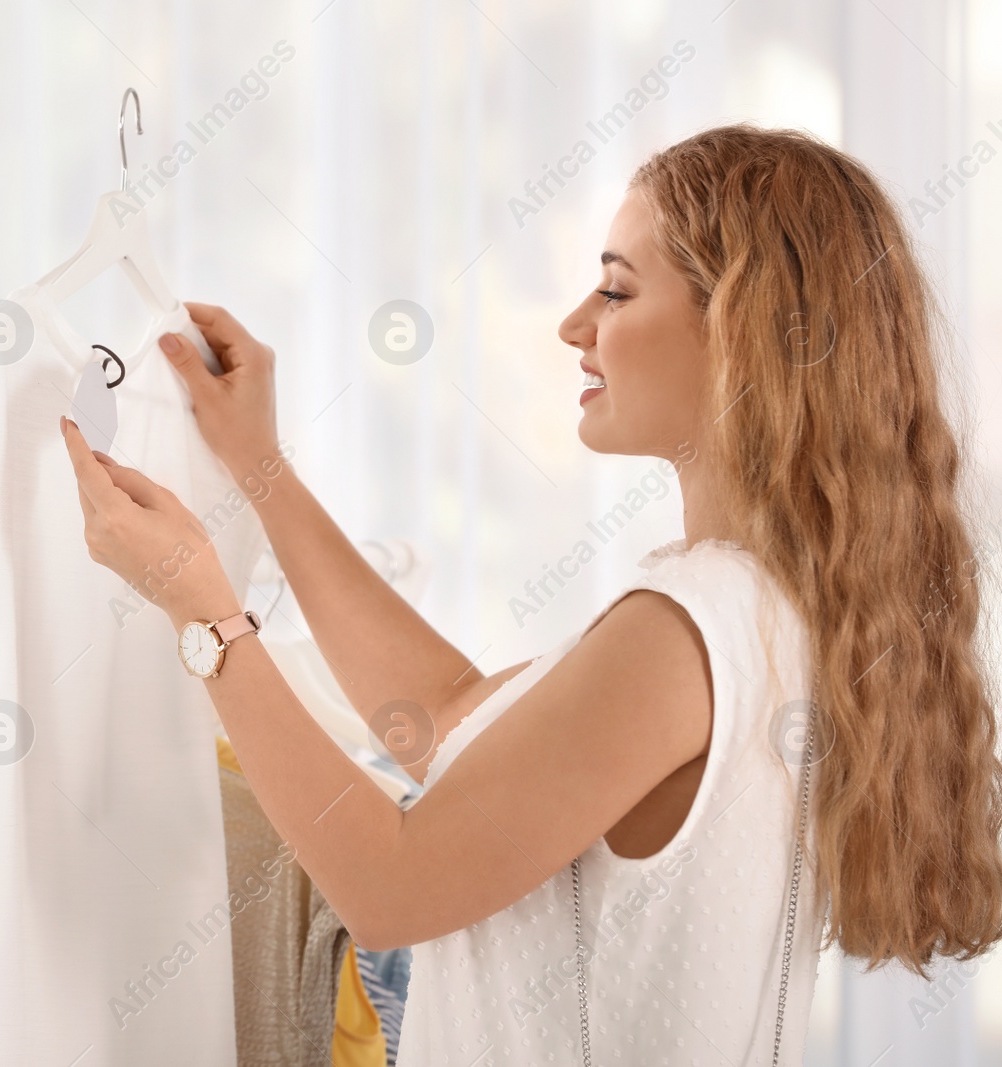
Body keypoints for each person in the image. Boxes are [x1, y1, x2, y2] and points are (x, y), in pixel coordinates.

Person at [60, 123, 1002, 1064]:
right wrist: (259, 470)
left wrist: (205, 613)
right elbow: (445, 715)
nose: (574, 325)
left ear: (745, 337)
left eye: (618, 289)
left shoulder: (685, 630)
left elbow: (387, 889)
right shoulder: (776, 606)